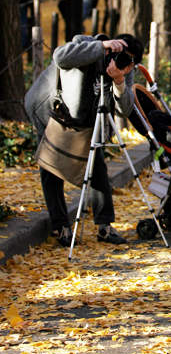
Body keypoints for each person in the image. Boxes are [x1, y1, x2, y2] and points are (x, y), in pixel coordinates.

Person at [25, 33, 143, 248]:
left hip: (85, 117)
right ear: (113, 48)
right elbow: (60, 56)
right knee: (52, 162)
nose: (123, 62)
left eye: (130, 60)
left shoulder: (126, 68)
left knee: (96, 161)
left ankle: (105, 226)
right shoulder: (87, 44)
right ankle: (61, 225)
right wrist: (101, 46)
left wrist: (119, 81)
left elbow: (124, 110)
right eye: (122, 56)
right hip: (50, 108)